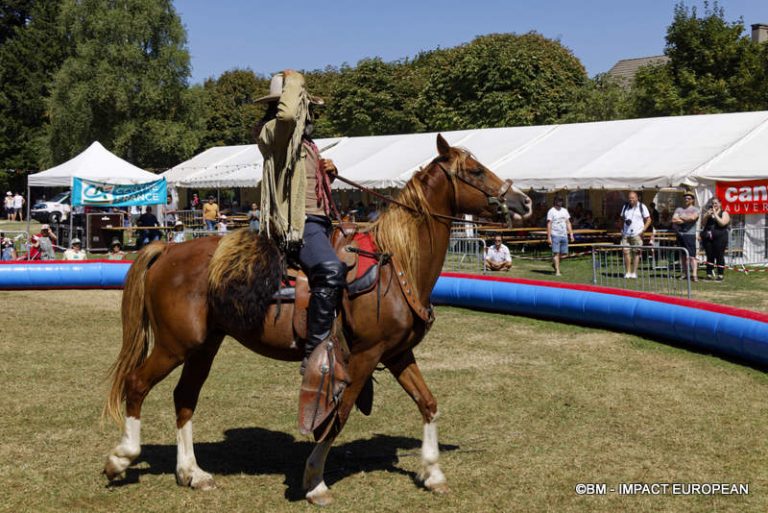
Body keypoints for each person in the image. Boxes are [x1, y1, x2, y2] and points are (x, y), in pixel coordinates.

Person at [255, 69, 348, 390]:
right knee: (330, 268)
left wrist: (329, 175)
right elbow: (288, 115)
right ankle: (315, 352)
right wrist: (294, 83)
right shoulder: (274, 132)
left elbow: (303, 186)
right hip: (299, 227)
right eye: (306, 105)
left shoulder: (306, 144)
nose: (310, 113)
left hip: (321, 223)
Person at [619, 191, 652, 279]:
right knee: (626, 253)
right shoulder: (625, 206)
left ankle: (634, 272)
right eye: (630, 198)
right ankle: (628, 272)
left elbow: (648, 219)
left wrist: (643, 230)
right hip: (626, 234)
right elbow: (621, 219)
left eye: (633, 198)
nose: (631, 200)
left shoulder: (642, 206)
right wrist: (621, 229)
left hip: (637, 234)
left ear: (637, 198)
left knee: (636, 253)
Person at [672, 191, 700, 282]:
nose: (686, 200)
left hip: (690, 235)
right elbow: (673, 219)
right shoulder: (679, 209)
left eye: (688, 198)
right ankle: (685, 273)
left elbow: (693, 218)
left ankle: (694, 274)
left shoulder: (696, 209)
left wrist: (681, 218)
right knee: (683, 255)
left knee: (692, 256)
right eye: (685, 198)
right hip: (680, 234)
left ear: (692, 200)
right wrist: (686, 218)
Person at [700, 197, 730, 281]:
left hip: (720, 238)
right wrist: (706, 216)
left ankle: (720, 275)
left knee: (719, 255)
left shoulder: (724, 213)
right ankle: (709, 274)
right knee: (709, 255)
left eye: (716, 203)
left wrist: (715, 215)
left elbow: (722, 223)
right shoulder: (708, 213)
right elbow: (703, 224)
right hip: (708, 237)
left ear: (720, 204)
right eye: (712, 203)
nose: (714, 205)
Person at [546, 196, 574, 277]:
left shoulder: (564, 210)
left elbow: (568, 222)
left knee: (564, 254)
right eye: (559, 200)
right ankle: (557, 271)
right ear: (555, 201)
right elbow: (549, 224)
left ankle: (554, 263)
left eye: (561, 200)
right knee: (556, 253)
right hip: (555, 234)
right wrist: (549, 237)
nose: (560, 202)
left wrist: (571, 234)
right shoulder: (551, 211)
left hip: (564, 234)